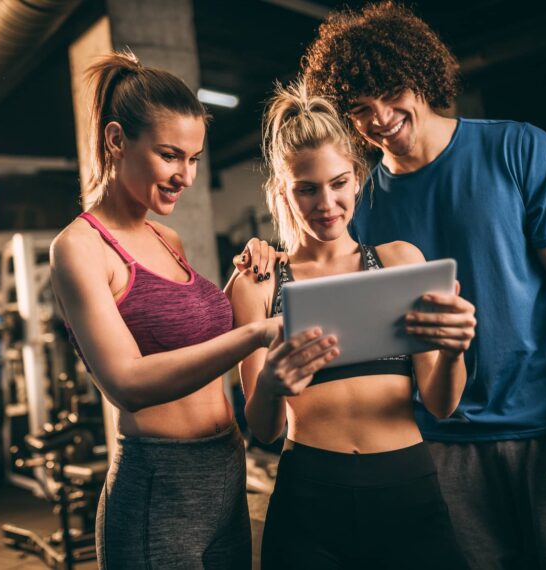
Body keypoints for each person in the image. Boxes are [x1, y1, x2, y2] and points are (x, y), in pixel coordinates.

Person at [301, 2, 546, 568]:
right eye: (358, 108)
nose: (379, 118)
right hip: (439, 448)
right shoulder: (363, 205)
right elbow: (318, 268)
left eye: (391, 92)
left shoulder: (519, 148)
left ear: (421, 75)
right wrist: (261, 254)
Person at [49, 51, 336, 569]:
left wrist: (250, 269)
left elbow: (194, 335)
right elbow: (129, 382)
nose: (186, 174)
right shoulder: (80, 248)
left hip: (224, 470)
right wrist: (258, 334)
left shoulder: (166, 235)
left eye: (194, 158)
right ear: (116, 140)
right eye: (169, 155)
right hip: (159, 487)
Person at [230, 79, 475, 569]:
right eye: (307, 189)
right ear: (283, 190)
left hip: (407, 492)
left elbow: (441, 404)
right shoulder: (257, 284)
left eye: (339, 183)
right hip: (310, 502)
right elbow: (264, 428)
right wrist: (273, 385)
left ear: (358, 178)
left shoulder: (401, 262)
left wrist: (452, 350)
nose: (326, 204)